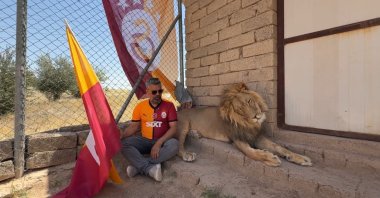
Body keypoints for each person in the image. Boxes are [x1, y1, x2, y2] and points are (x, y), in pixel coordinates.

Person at [121, 77, 179, 182]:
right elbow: (134, 127)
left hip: (162, 142)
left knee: (174, 144)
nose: (157, 94)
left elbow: (174, 128)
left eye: (160, 91)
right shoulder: (140, 106)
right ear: (147, 92)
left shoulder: (169, 106)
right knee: (123, 143)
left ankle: (138, 167)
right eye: (154, 92)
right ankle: (149, 168)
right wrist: (122, 136)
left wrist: (158, 143)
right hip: (145, 141)